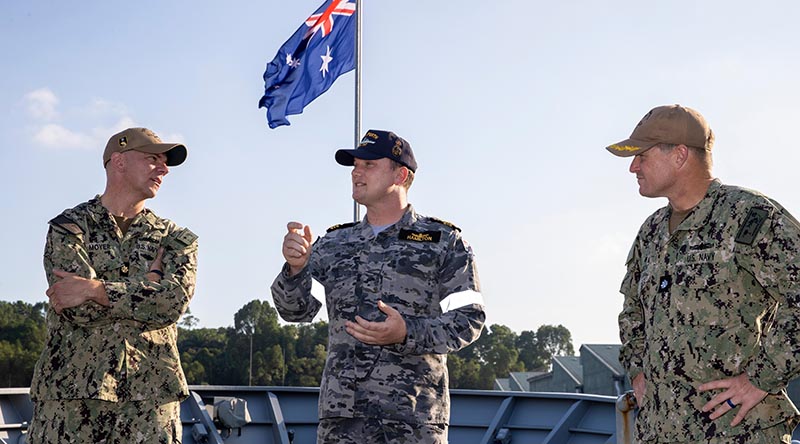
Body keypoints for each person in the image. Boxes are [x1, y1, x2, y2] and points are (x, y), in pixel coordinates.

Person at [271, 129, 485, 443]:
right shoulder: (332, 245)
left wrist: (406, 332)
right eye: (355, 165)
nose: (356, 172)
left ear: (400, 175)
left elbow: (469, 319)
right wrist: (296, 268)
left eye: (369, 165)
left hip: (413, 419)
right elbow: (296, 312)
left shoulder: (443, 242)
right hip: (342, 419)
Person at [608, 105, 800, 443]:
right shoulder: (651, 232)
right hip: (660, 431)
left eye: (642, 155)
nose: (633, 166)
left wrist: (760, 379)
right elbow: (632, 311)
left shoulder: (748, 217)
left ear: (680, 155)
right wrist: (637, 370)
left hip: (736, 432)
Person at [28, 127, 198, 444]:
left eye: (165, 162)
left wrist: (96, 289)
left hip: (151, 405)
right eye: (152, 159)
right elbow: (76, 310)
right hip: (72, 401)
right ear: (118, 161)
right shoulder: (69, 228)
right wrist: (148, 283)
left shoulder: (175, 239)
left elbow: (172, 303)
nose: (163, 169)